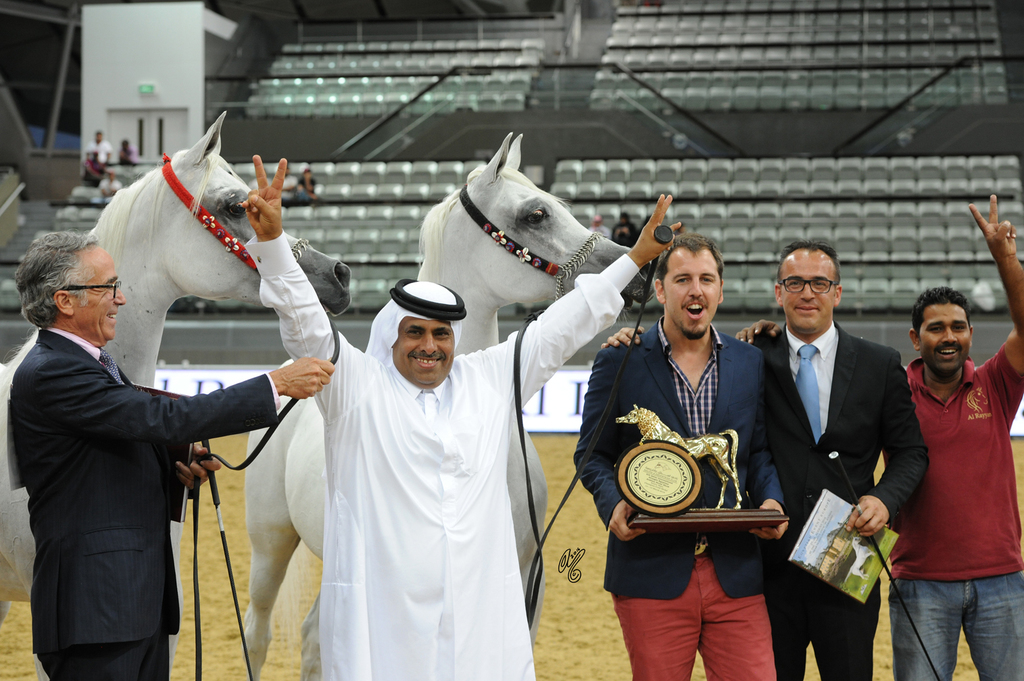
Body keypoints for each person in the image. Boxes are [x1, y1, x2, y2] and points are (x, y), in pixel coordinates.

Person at [242, 153, 676, 681]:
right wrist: (271, 245)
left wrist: (633, 259)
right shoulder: (355, 389)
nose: (430, 346)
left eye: (442, 334)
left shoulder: (487, 381)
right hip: (381, 633)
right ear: (393, 336)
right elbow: (305, 325)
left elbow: (563, 327)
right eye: (416, 332)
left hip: (472, 630)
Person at [11, 232, 334, 681]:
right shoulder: (55, 371)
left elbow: (104, 455)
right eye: (107, 287)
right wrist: (273, 385)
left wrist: (172, 464)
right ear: (65, 300)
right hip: (97, 609)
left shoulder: (88, 363)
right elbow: (162, 418)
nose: (121, 298)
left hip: (127, 602)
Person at [579, 232, 787, 680]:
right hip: (651, 572)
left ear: (719, 290)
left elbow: (759, 450)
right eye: (682, 279)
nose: (696, 289)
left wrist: (772, 500)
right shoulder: (620, 360)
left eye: (707, 279)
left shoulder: (749, 362)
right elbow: (591, 456)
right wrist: (612, 502)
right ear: (660, 289)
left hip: (735, 572)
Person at [737, 240, 929, 681]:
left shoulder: (881, 364)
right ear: (778, 292)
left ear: (837, 293)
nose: (808, 293)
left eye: (820, 283)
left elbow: (911, 452)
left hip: (846, 562)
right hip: (766, 566)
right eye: (795, 282)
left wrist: (885, 499)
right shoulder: (748, 357)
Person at [887, 196, 1024, 680]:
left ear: (971, 333)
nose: (949, 336)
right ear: (914, 337)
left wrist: (1005, 258)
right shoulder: (891, 394)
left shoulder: (995, 384)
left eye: (959, 327)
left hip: (1002, 578)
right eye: (936, 327)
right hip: (919, 581)